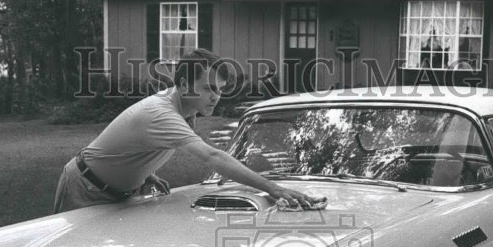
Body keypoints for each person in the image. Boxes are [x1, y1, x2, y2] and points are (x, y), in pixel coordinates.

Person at [53, 48, 316, 213]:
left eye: (220, 90)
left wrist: (144, 172)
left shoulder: (186, 109)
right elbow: (213, 157)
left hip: (118, 194)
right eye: (208, 88)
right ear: (183, 84)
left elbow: (134, 140)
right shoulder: (162, 112)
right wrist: (274, 188)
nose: (216, 97)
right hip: (86, 187)